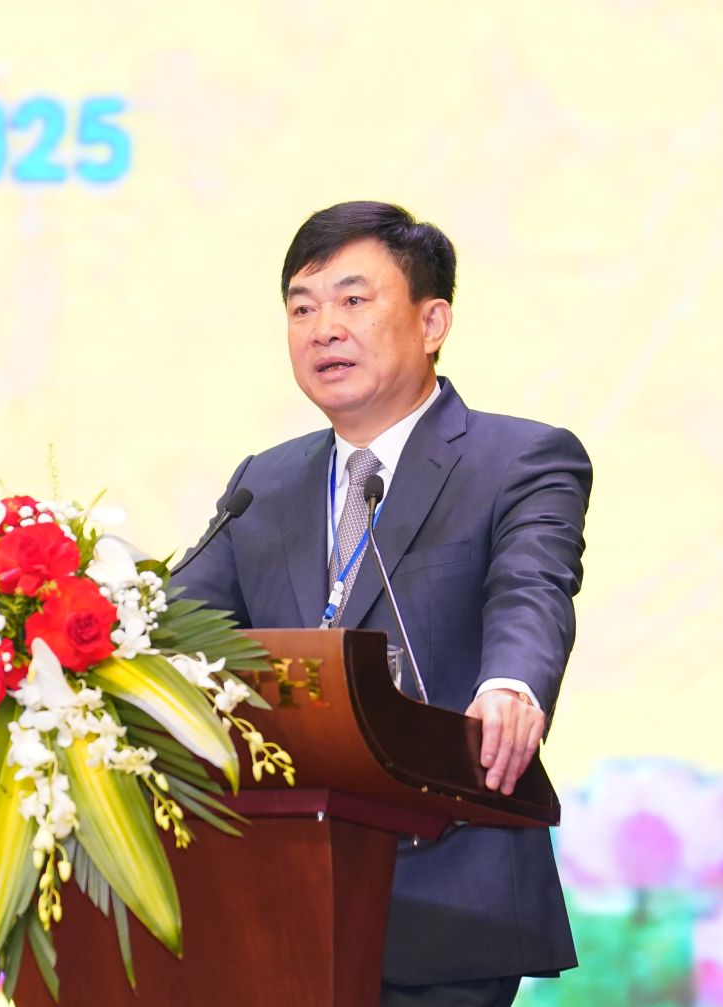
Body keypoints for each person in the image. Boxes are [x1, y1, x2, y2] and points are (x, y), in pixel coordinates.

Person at [171, 201, 591, 1006]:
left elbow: (531, 588)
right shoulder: (264, 481)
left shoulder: (518, 459)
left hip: (445, 892)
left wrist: (512, 684)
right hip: (274, 901)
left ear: (433, 322)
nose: (323, 328)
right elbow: (176, 625)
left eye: (353, 300)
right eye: (302, 307)